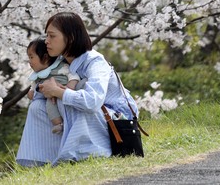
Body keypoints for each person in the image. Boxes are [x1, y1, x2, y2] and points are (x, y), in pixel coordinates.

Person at [16, 12, 140, 166]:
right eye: (46, 36)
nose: (46, 41)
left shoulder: (94, 61)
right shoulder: (60, 62)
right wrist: (42, 90)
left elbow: (93, 101)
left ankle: (83, 155)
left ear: (71, 37)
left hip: (116, 120)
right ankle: (42, 160)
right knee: (38, 106)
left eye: (52, 36)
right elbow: (44, 91)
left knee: (70, 100)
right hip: (93, 114)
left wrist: (59, 92)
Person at [26, 37, 80, 134]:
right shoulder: (37, 76)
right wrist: (31, 92)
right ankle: (58, 124)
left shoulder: (61, 67)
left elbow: (73, 76)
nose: (29, 61)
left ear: (45, 57)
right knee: (50, 104)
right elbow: (33, 89)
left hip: (66, 93)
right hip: (51, 98)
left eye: (31, 57)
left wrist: (69, 87)